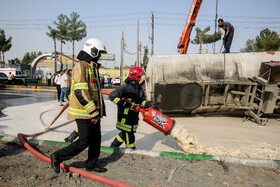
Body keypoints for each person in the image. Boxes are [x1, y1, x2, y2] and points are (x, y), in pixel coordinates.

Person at [50, 38, 108, 174]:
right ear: (92, 51)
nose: (100, 56)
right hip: (84, 112)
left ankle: (92, 164)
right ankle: (57, 156)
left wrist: (97, 113)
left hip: (93, 112)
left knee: (96, 140)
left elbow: (94, 93)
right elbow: (81, 92)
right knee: (84, 141)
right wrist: (93, 112)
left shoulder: (91, 67)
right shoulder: (80, 67)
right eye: (99, 53)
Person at [109, 66, 158, 149]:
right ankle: (131, 152)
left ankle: (113, 147)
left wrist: (149, 103)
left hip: (133, 117)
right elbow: (112, 96)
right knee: (129, 137)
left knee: (124, 134)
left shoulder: (139, 89)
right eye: (139, 76)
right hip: (125, 117)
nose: (141, 78)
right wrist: (123, 103)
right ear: (134, 76)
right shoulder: (124, 87)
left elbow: (142, 102)